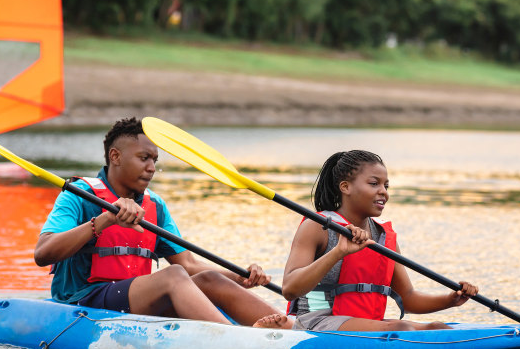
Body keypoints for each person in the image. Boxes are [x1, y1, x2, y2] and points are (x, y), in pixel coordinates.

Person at [34, 117, 290, 328]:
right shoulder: (78, 194)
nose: (151, 168)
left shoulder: (155, 205)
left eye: (154, 160)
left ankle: (292, 329)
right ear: (115, 156)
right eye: (144, 158)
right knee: (173, 276)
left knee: (210, 278)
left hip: (134, 300)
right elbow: (43, 253)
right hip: (84, 299)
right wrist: (104, 220)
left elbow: (188, 263)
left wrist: (238, 276)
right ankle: (237, 340)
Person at [281, 150, 479, 331]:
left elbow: (408, 298)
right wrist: (338, 252)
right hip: (316, 323)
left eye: (386, 185)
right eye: (374, 183)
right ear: (345, 187)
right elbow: (290, 289)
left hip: (364, 323)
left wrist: (451, 299)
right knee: (401, 329)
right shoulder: (318, 226)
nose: (383, 191)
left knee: (438, 328)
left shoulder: (383, 235)